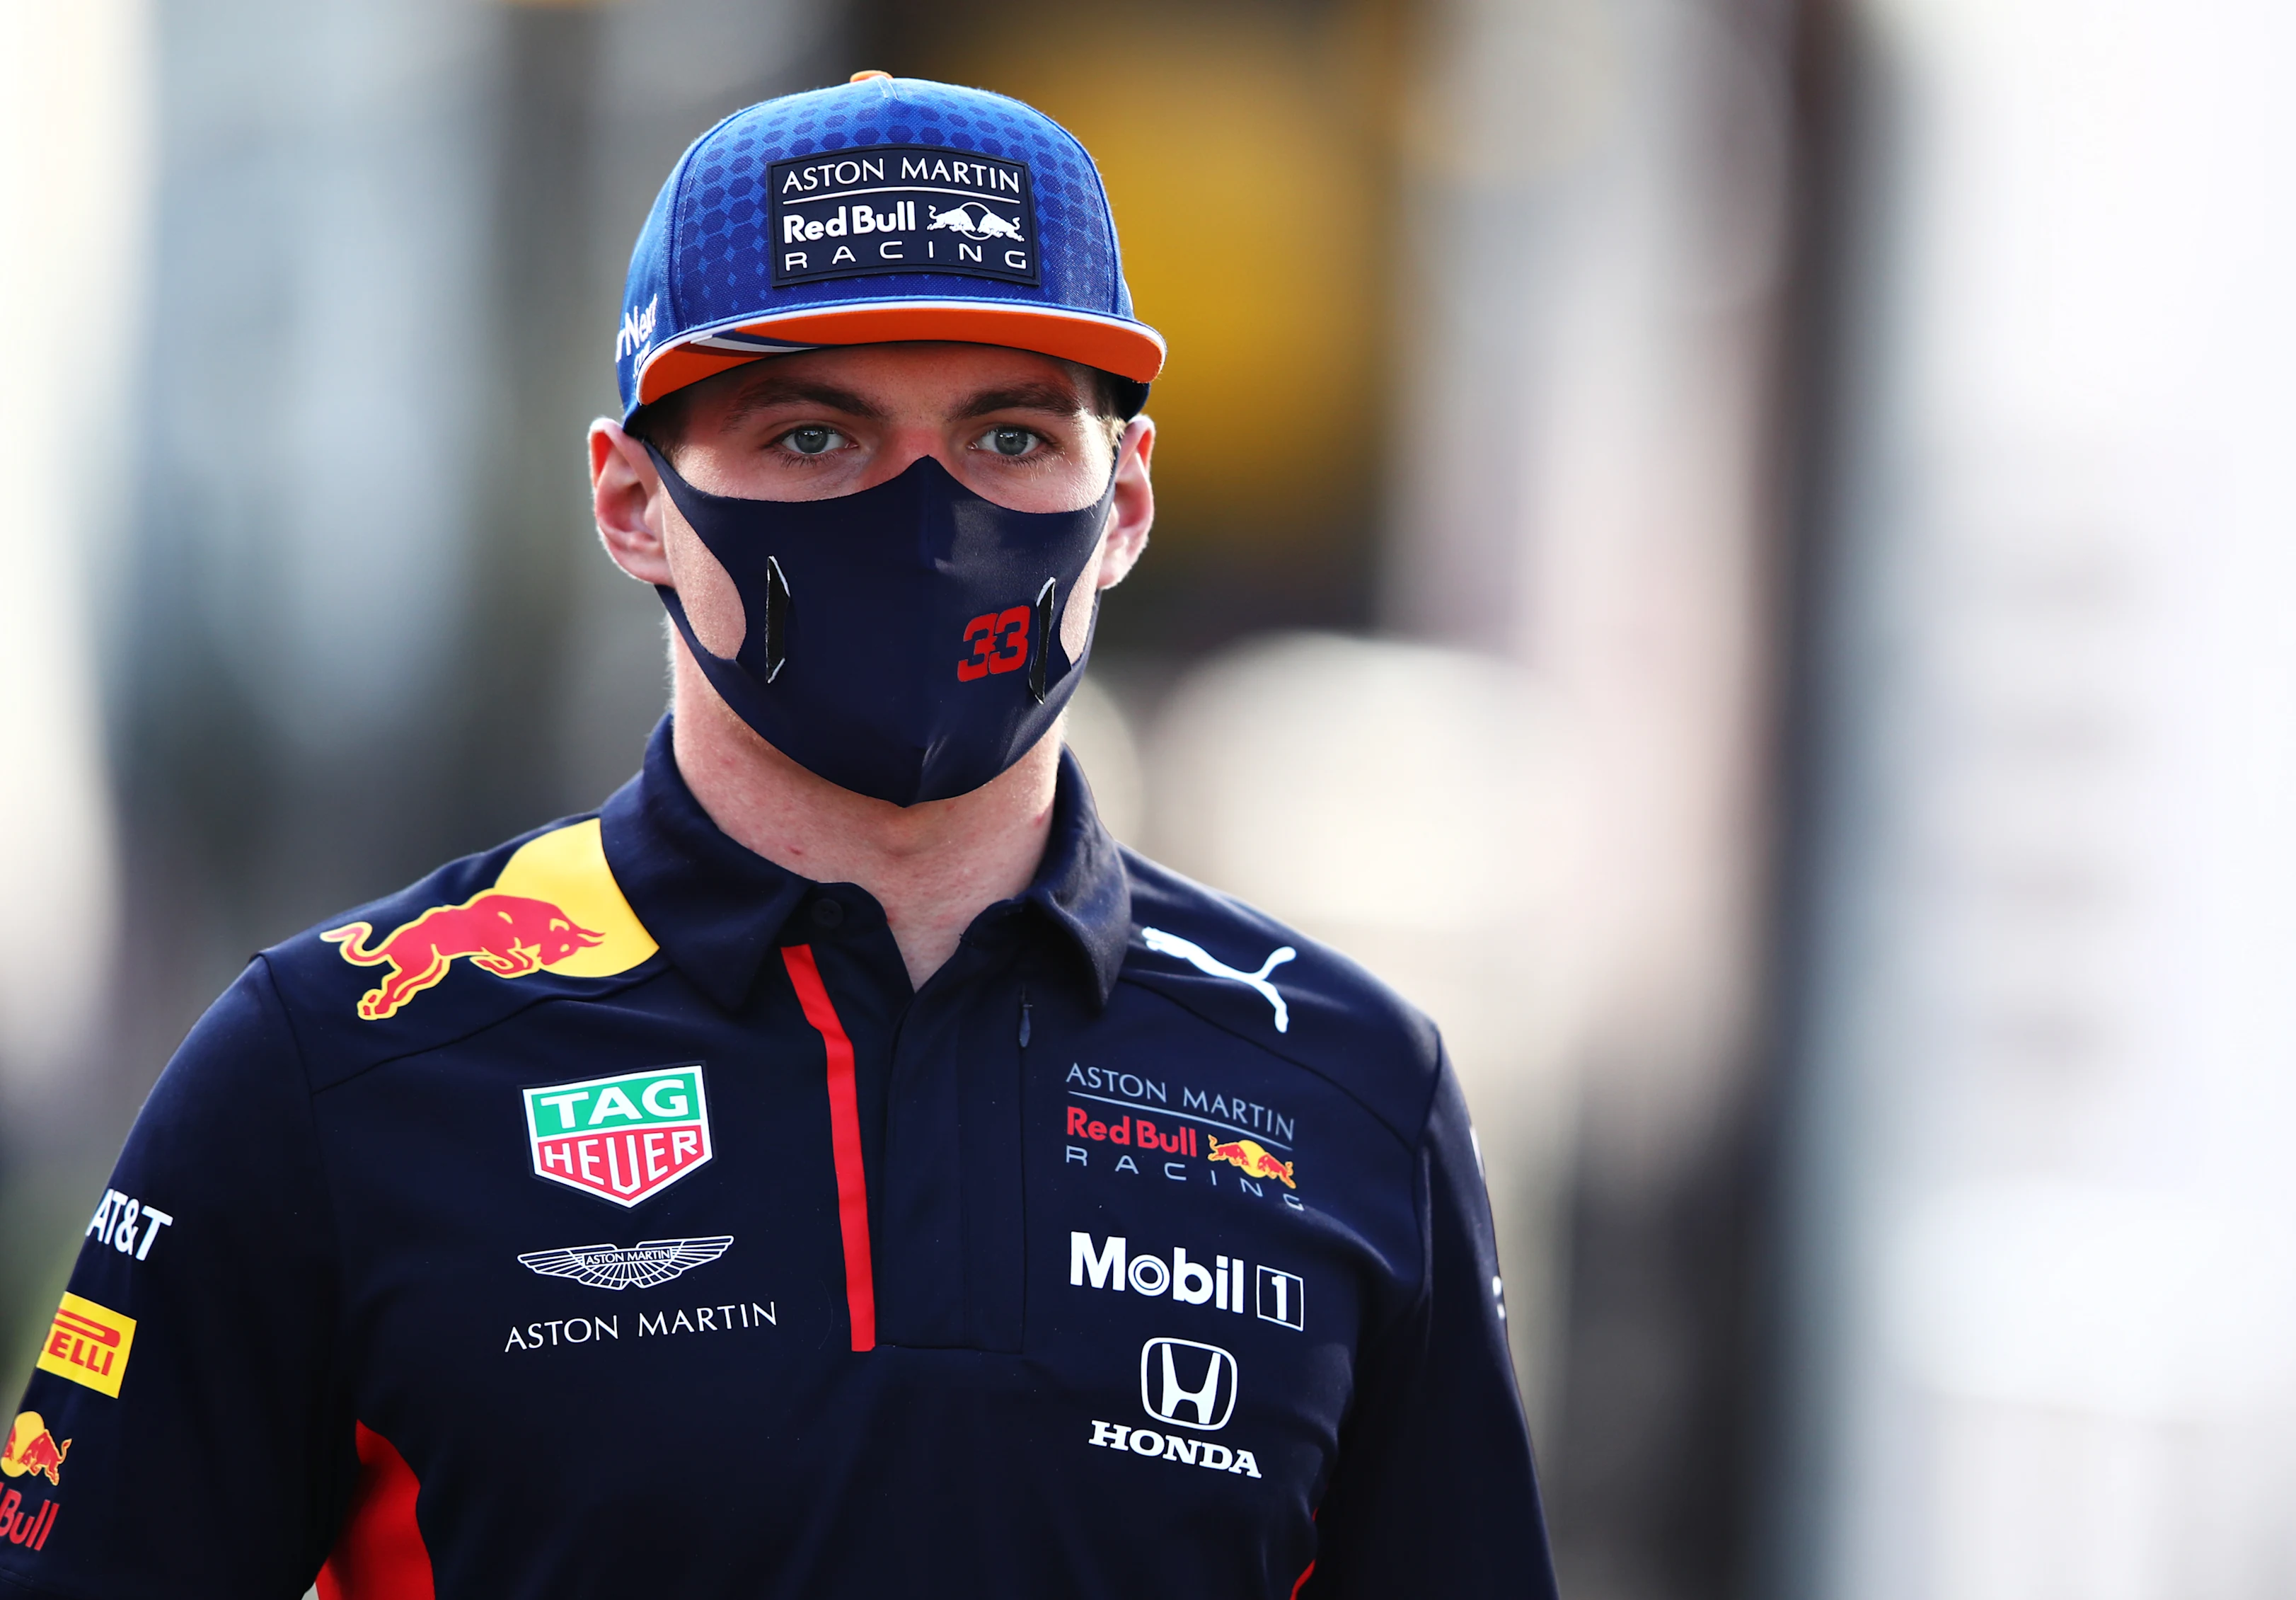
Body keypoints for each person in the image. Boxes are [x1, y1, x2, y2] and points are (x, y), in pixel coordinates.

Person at [0, 74, 1555, 1599]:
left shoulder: (1347, 1086)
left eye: (1011, 436)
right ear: (631, 501)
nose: (929, 513)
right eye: (814, 437)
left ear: (1125, 498)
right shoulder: (335, 1063)